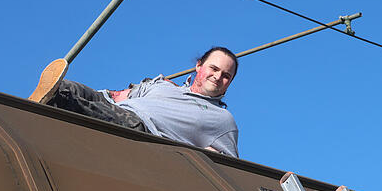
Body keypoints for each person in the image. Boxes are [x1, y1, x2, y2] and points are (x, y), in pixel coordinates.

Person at [38, 47, 240, 158]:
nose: (217, 77)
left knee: (69, 101)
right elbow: (118, 96)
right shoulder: (163, 85)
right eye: (213, 69)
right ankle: (40, 106)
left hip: (143, 129)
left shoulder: (222, 119)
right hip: (117, 108)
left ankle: (44, 109)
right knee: (67, 87)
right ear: (198, 66)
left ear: (229, 82)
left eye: (226, 76)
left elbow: (228, 163)